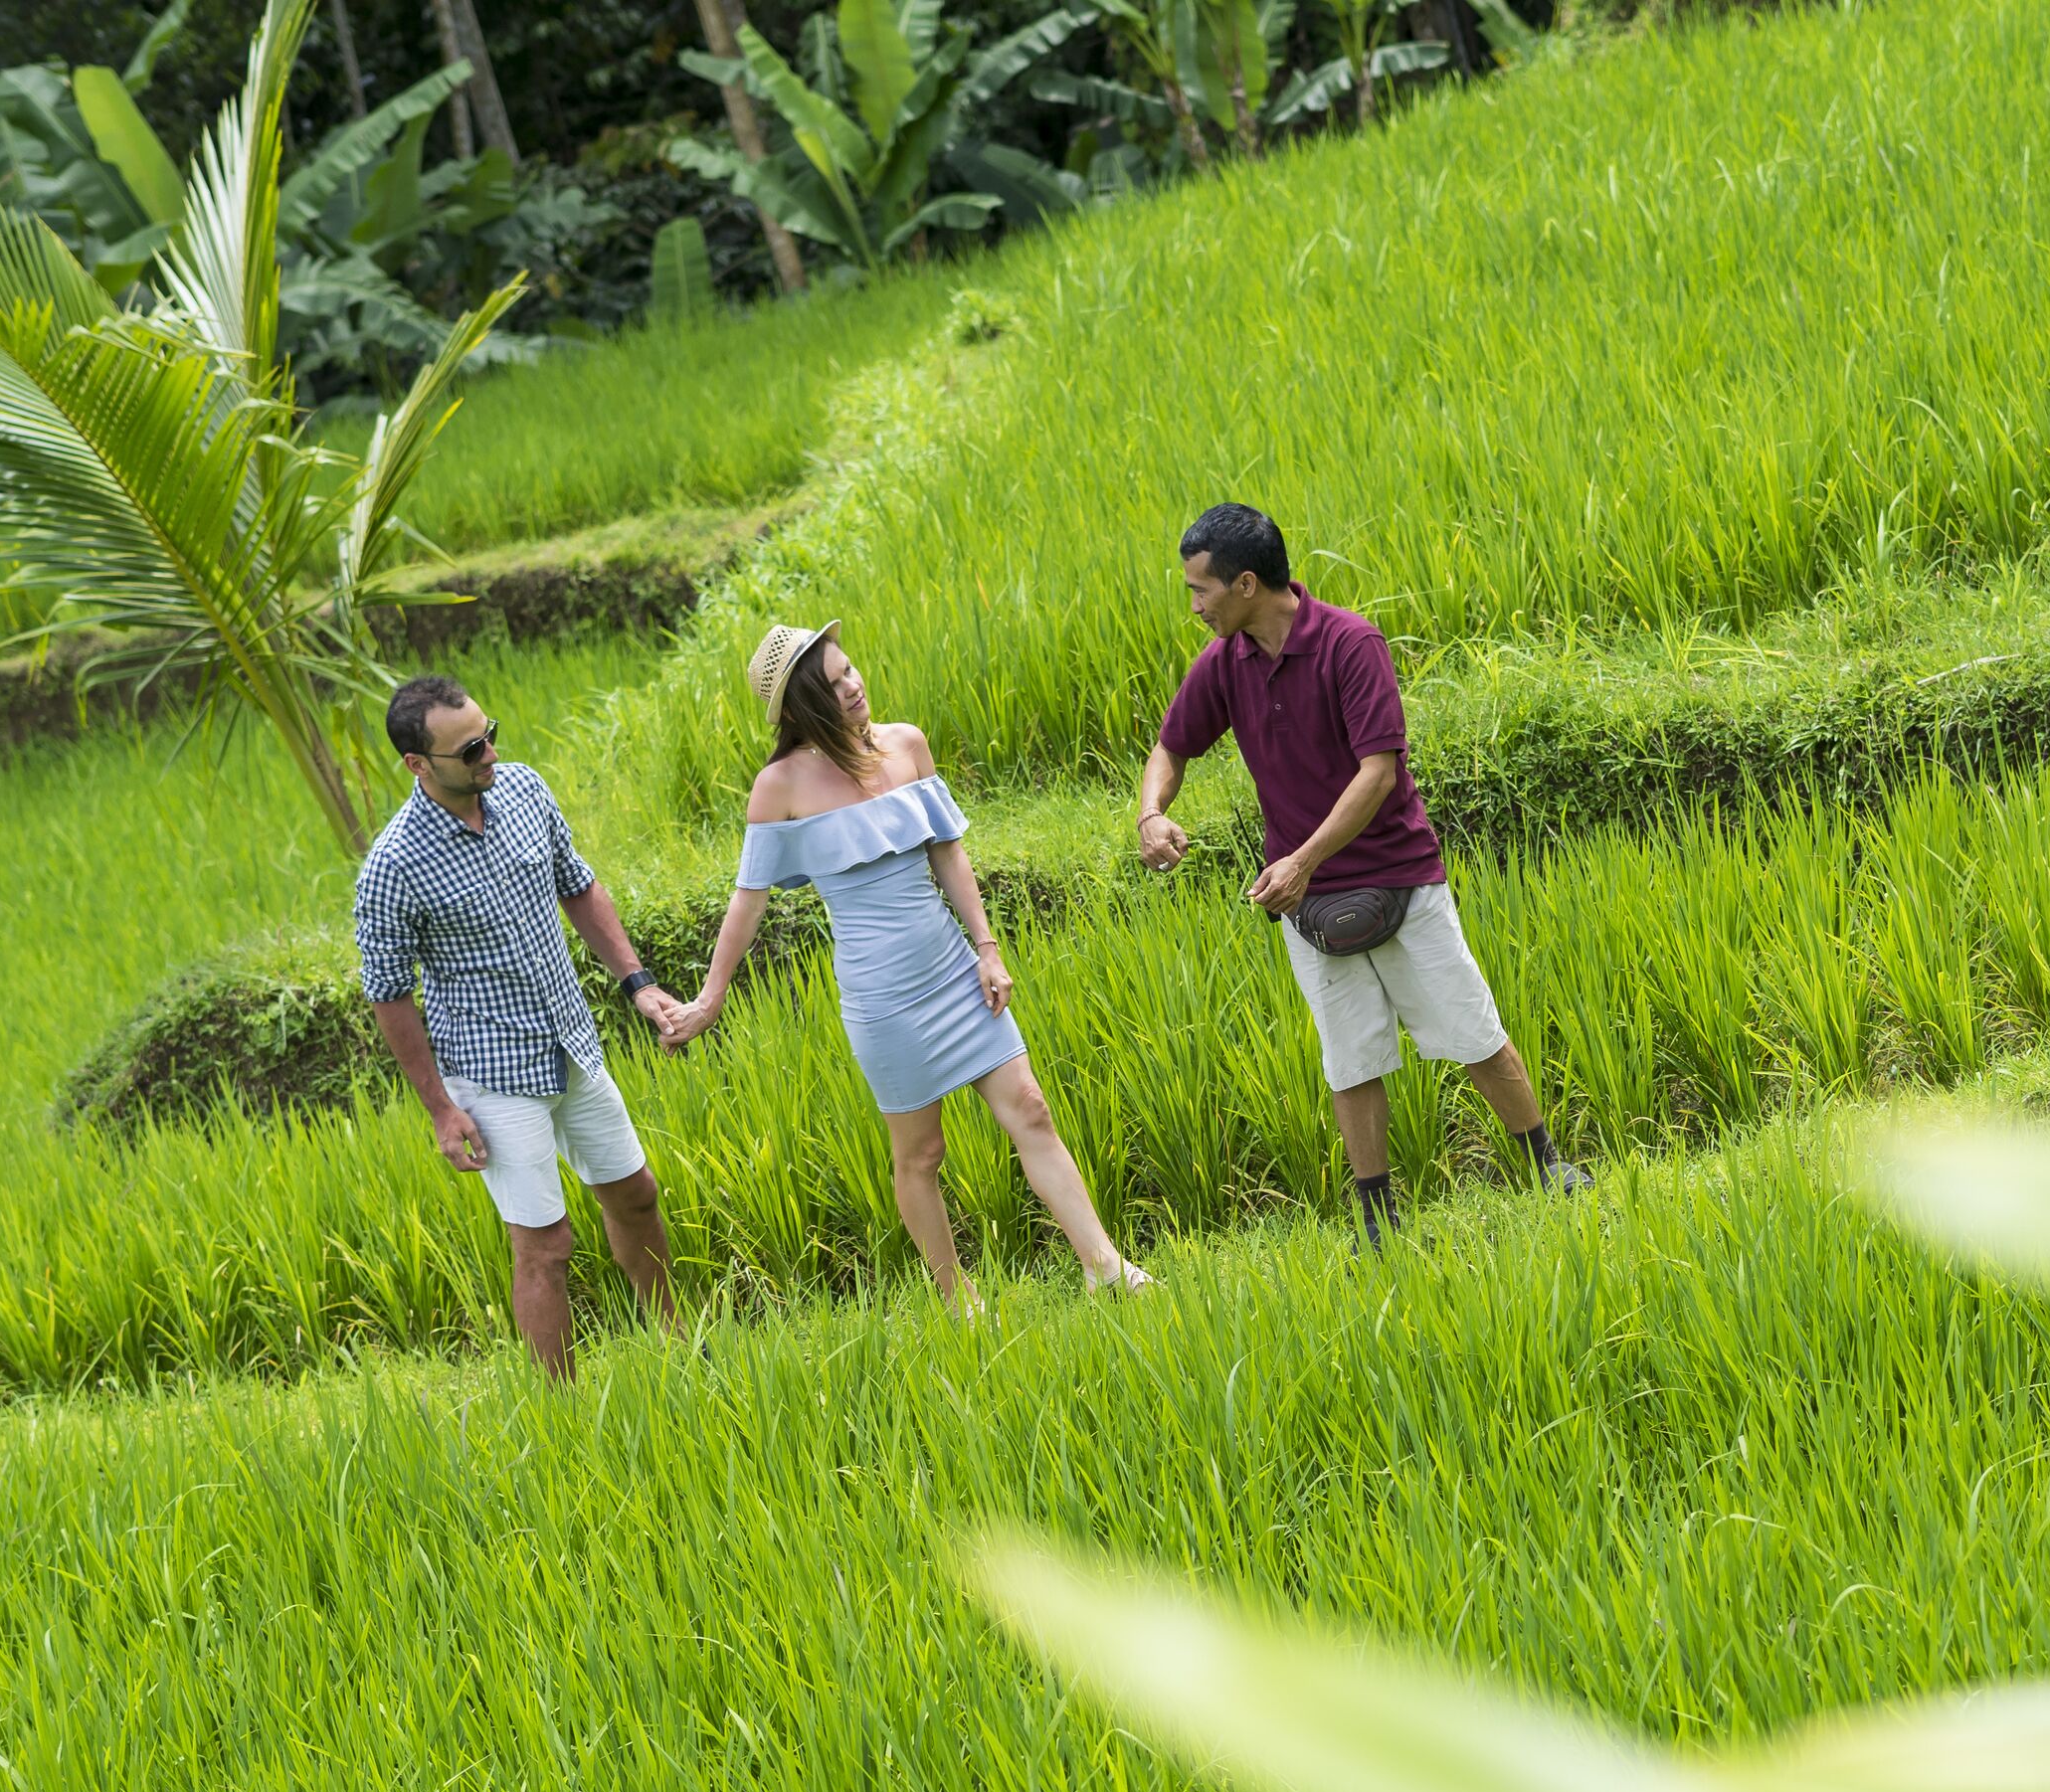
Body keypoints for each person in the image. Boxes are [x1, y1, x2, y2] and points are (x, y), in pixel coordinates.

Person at [1134, 500, 1590, 1243]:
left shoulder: (1352, 644)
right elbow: (1172, 747)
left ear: (1245, 584)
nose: (1193, 605)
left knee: (1473, 1032)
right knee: (1351, 1058)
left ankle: (1546, 1165)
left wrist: (1302, 861)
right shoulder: (1225, 663)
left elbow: (1378, 772)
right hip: (1306, 901)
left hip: (1400, 877)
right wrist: (1153, 812)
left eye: (1199, 590)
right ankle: (1378, 1217)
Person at [661, 623, 1153, 1306]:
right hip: (882, 998)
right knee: (921, 1154)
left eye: (850, 669)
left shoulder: (906, 745)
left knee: (1031, 1109)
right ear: (804, 707)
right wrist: (710, 1000)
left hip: (950, 967)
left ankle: (1106, 1268)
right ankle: (959, 1300)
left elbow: (948, 851)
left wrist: (987, 949)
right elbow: (749, 902)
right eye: (833, 685)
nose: (853, 686)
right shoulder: (779, 787)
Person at [356, 673, 681, 1379]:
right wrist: (442, 1109)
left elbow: (579, 885)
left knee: (636, 1194)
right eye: (471, 749)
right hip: (494, 1073)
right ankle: (561, 1413)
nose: (490, 755)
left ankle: (681, 1344)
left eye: (490, 733)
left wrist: (638, 983)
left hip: (570, 1041)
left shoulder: (525, 790)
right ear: (418, 764)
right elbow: (389, 994)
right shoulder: (393, 866)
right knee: (546, 1247)